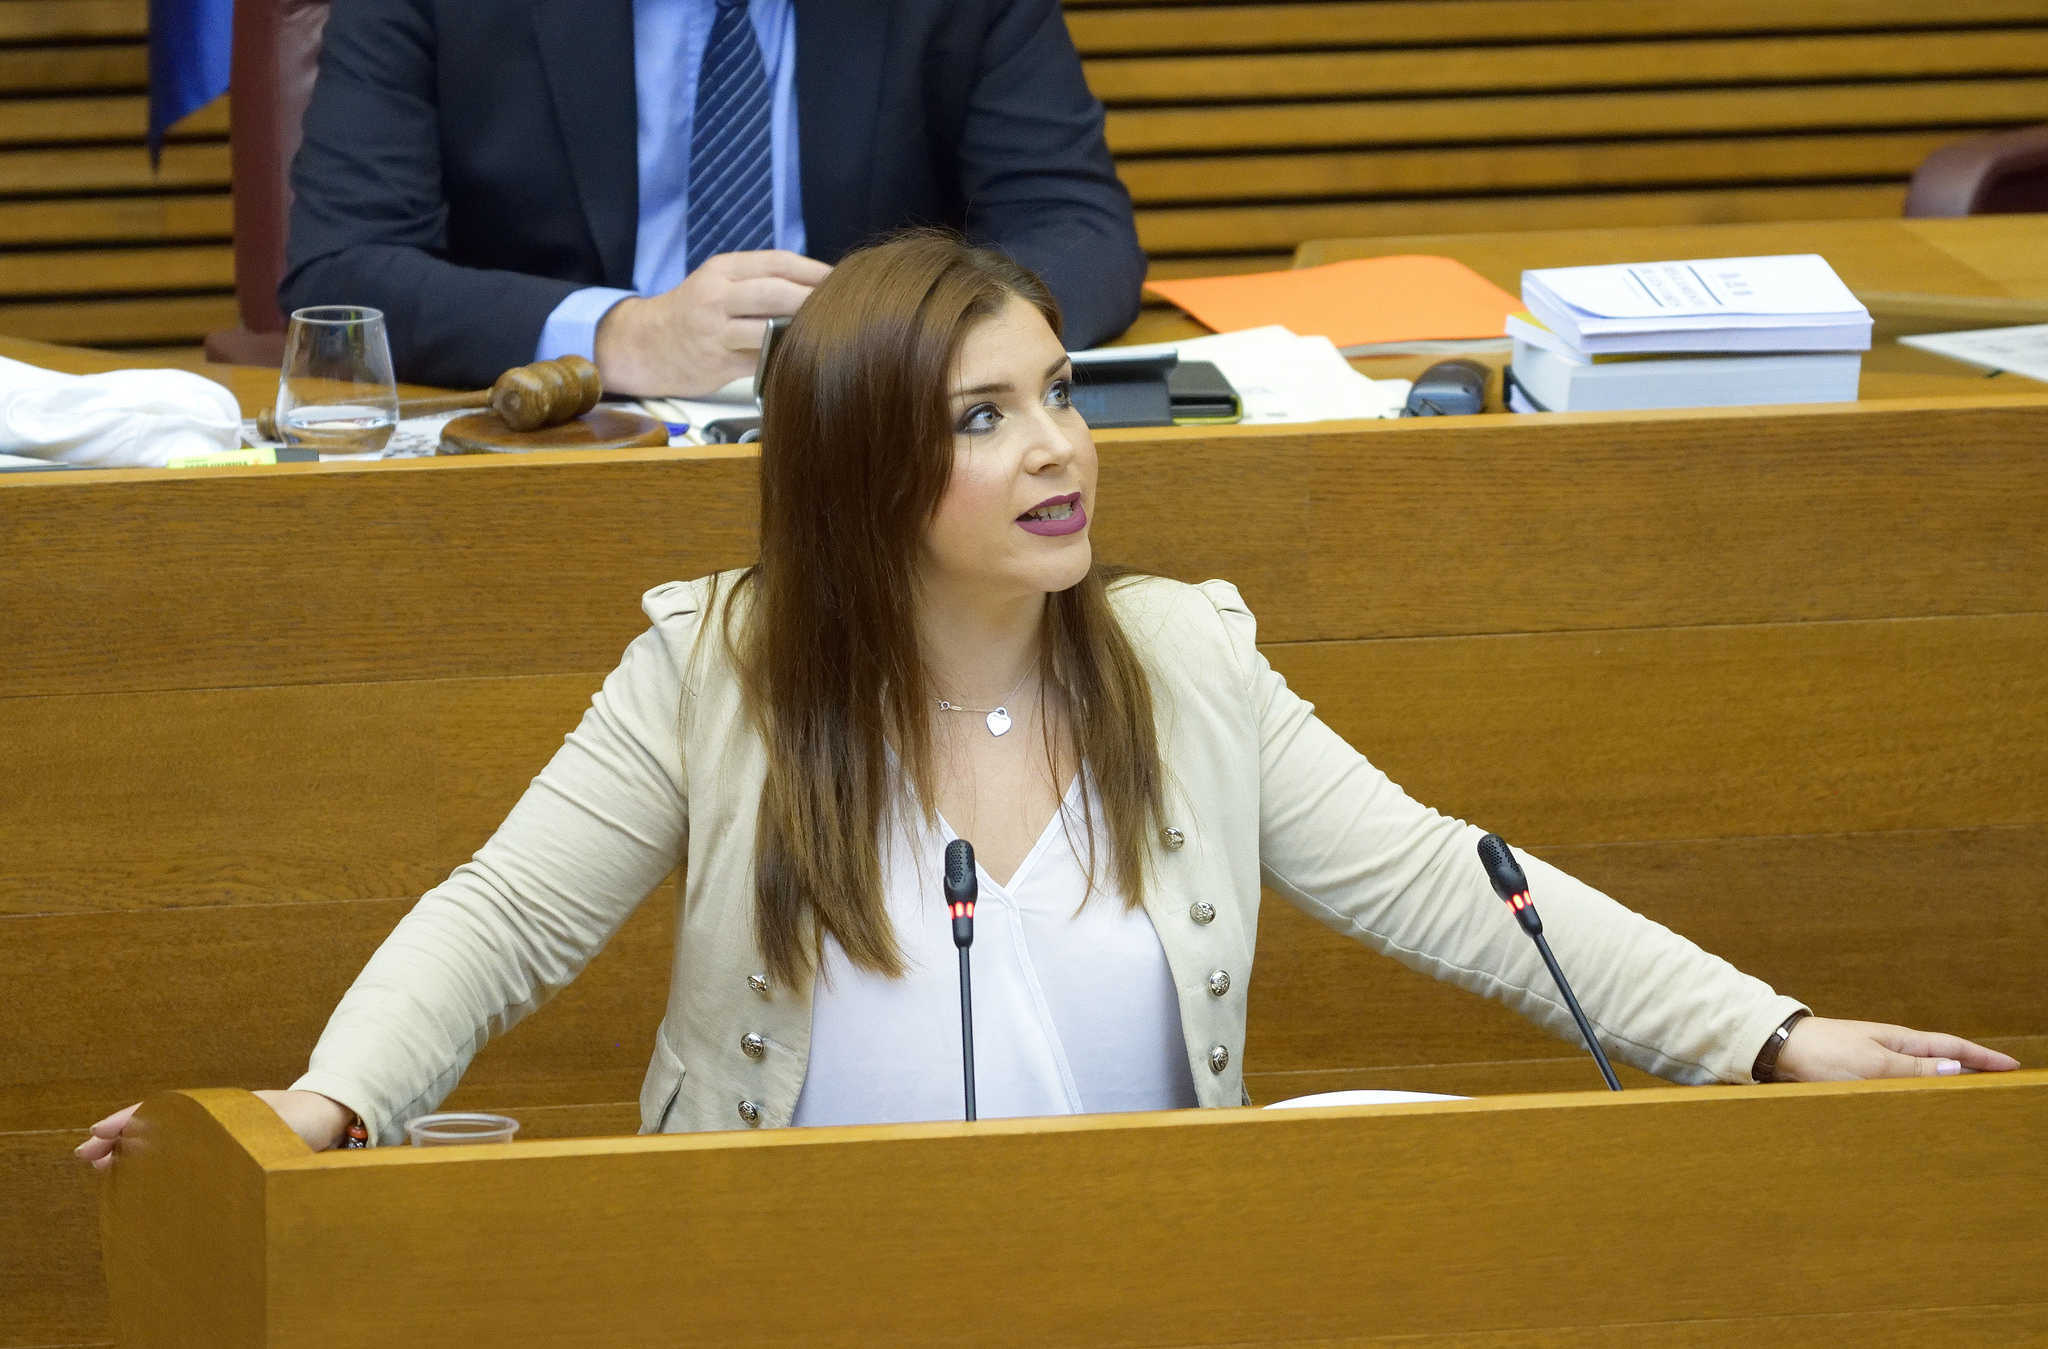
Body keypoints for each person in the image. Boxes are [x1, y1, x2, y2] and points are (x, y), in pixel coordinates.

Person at [79, 232, 2017, 1163]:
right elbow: (499, 918)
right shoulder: (716, 661)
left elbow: (1456, 881)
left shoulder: (1184, 659)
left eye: (1058, 395)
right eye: (981, 419)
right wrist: (328, 1102)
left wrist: (1763, 1036)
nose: (1055, 451)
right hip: (757, 1283)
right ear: (854, 476)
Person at [278, 0, 1145, 393]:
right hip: (560, 458)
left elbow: (1078, 228)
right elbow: (342, 272)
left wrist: (902, 335)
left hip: (883, 460)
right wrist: (622, 336)